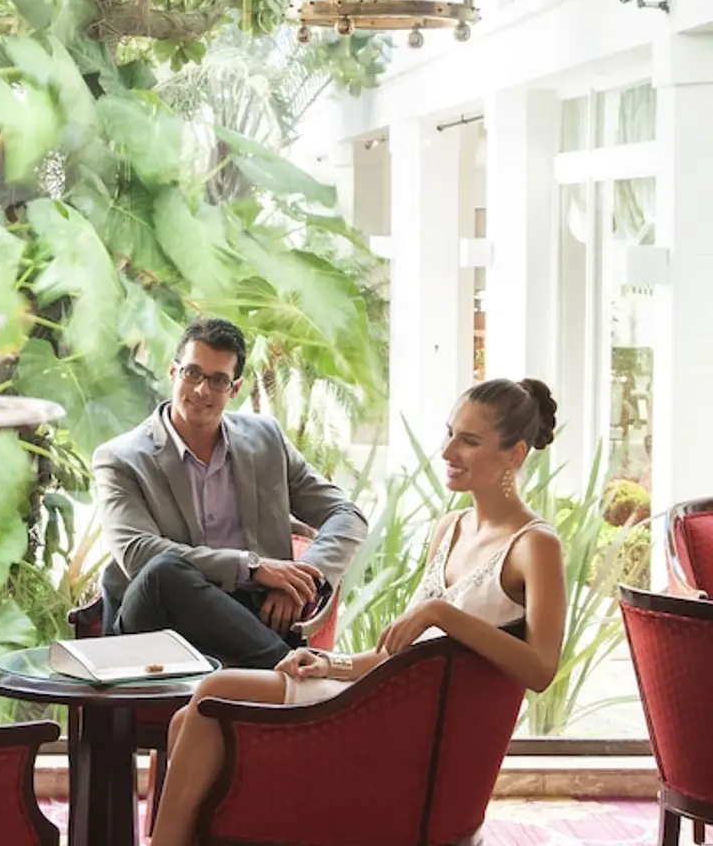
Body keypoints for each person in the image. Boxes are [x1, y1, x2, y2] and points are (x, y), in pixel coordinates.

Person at [148, 377, 568, 846]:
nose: (448, 451)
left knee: (214, 692)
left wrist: (440, 613)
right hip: (380, 703)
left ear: (515, 454)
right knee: (189, 718)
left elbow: (541, 668)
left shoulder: (535, 545)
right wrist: (331, 662)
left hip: (413, 737)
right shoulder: (450, 527)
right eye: (449, 433)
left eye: (468, 441)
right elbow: (402, 658)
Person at [92, 317, 369, 668]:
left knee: (177, 575)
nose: (202, 390)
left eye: (218, 380)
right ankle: (292, 668)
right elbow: (137, 553)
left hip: (254, 620)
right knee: (164, 571)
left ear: (234, 389)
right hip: (157, 628)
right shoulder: (121, 458)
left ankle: (281, 671)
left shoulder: (265, 440)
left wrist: (303, 579)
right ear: (173, 372)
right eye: (193, 373)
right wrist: (252, 568)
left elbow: (347, 515)